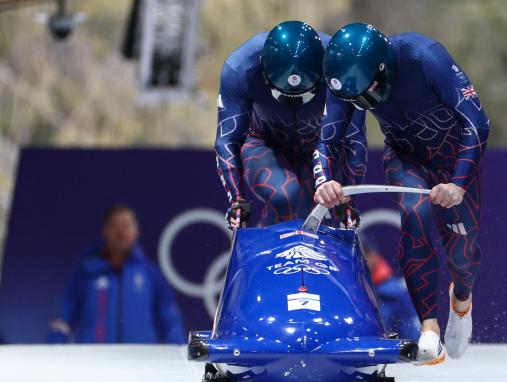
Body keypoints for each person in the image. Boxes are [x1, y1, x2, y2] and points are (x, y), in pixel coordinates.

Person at [315, 23, 490, 365]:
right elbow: (327, 140)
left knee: (463, 256)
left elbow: (478, 123)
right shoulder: (342, 81)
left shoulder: (425, 57)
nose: (364, 102)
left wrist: (457, 182)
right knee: (414, 214)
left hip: (453, 159)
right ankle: (428, 329)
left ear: (384, 68)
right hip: (405, 156)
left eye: (368, 93)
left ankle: (462, 299)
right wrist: (324, 179)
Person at [215, 21, 367, 229]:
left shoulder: (343, 67)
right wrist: (237, 199)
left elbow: (354, 139)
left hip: (324, 143)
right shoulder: (239, 68)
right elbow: (228, 139)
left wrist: (349, 201)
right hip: (264, 141)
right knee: (285, 195)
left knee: (321, 209)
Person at [47, 205, 185, 344]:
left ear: (136, 231)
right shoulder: (86, 271)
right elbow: (65, 312)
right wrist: (54, 344)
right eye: (115, 226)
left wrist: (180, 352)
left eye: (126, 225)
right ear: (105, 231)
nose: (121, 232)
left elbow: (169, 320)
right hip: (93, 359)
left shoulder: (150, 274)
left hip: (140, 359)